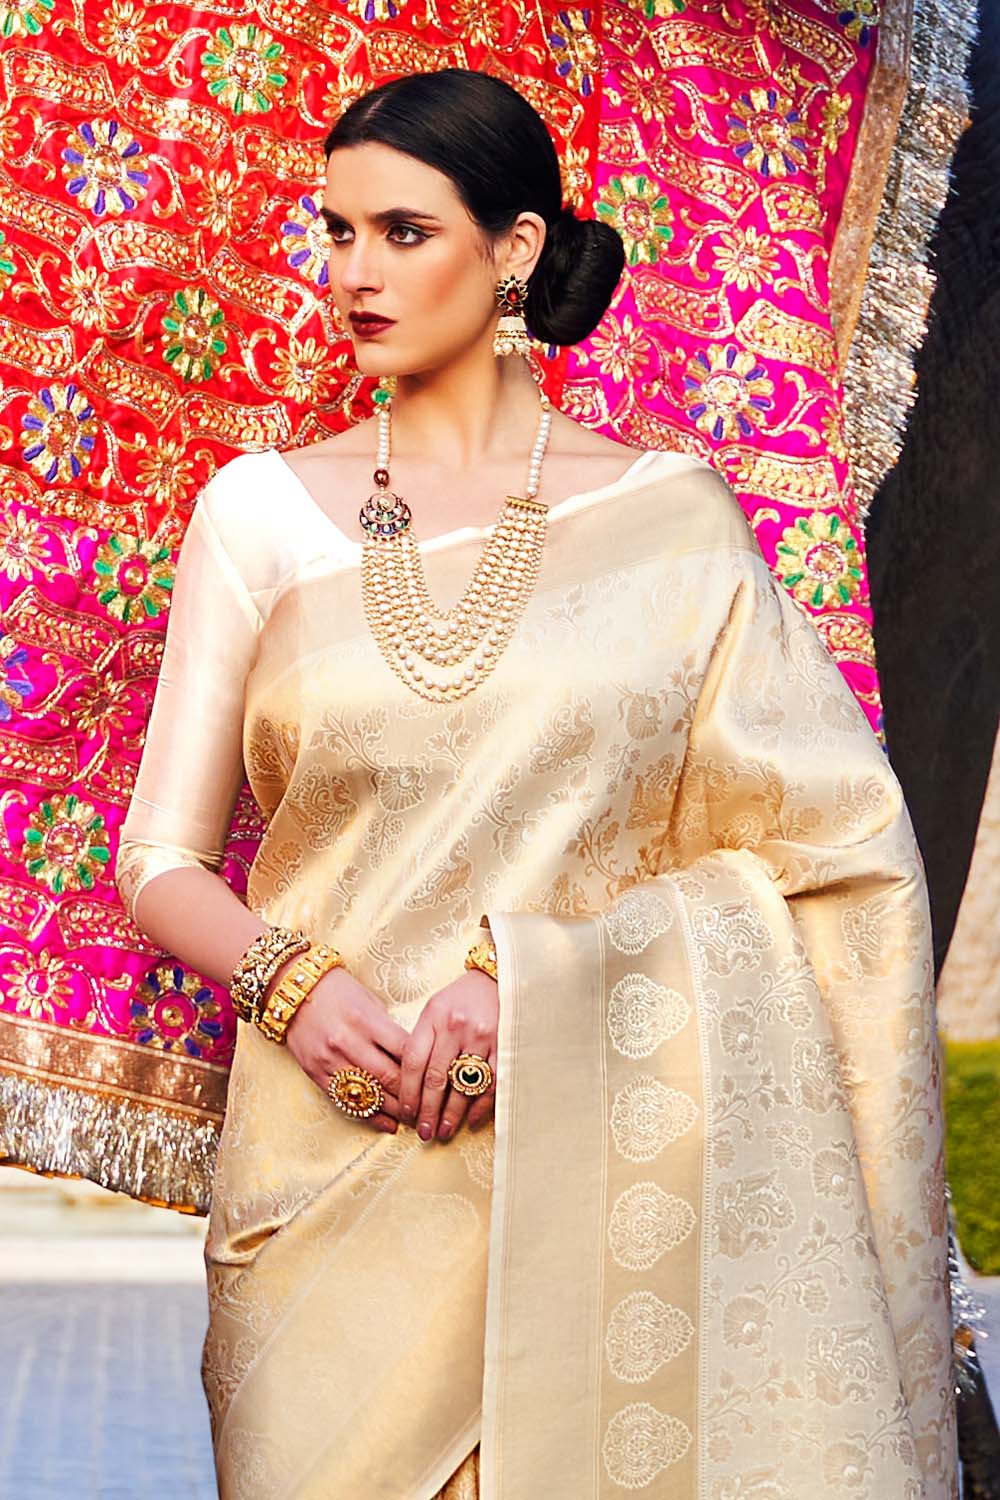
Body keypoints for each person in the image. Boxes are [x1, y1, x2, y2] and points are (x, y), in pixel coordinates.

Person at [114, 68, 956, 1500]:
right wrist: (291, 986)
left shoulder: (670, 519)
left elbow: (837, 853)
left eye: (403, 233)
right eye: (336, 232)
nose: (355, 274)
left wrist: (539, 981)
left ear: (513, 249)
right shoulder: (257, 513)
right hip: (322, 1169)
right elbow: (158, 861)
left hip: (601, 1164)